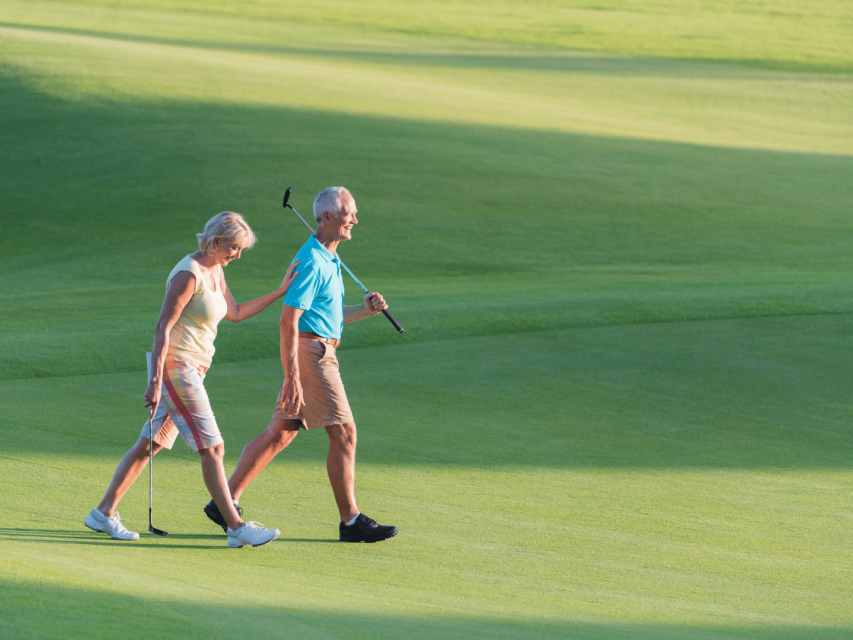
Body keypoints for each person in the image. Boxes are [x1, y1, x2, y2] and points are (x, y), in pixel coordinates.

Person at [85, 211, 299, 548]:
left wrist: (280, 291)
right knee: (213, 447)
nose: (237, 255)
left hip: (195, 369)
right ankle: (236, 526)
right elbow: (162, 328)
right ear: (215, 242)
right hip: (176, 369)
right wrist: (155, 380)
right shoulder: (188, 274)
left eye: (241, 249)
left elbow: (236, 313)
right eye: (233, 247)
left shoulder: (216, 270)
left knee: (150, 445)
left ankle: (103, 513)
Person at [203, 187, 398, 543]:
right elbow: (289, 321)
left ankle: (223, 502)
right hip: (312, 357)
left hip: (318, 349)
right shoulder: (311, 260)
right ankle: (351, 521)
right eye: (349, 213)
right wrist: (293, 376)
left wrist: (365, 311)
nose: (355, 219)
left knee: (281, 432)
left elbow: (326, 317)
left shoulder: (330, 259)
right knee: (344, 433)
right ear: (327, 217)